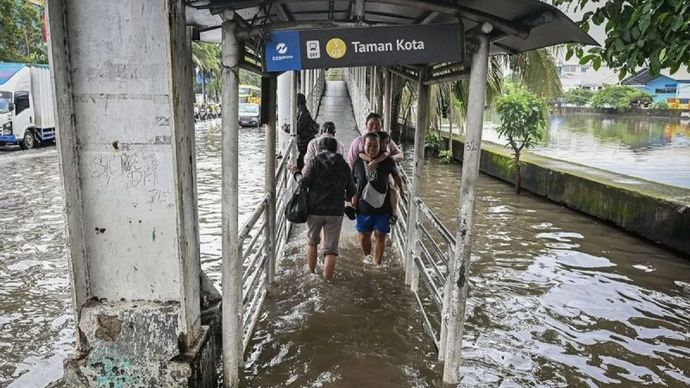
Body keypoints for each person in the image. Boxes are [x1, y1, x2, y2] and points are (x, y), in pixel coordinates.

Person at [289, 137, 356, 279]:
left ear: (320, 148)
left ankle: (312, 274)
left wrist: (295, 172)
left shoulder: (315, 161)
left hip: (314, 209)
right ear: (336, 149)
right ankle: (327, 281)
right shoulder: (344, 165)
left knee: (312, 242)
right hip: (335, 211)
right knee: (331, 249)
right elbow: (351, 191)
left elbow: (304, 183)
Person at [352, 132, 404, 266]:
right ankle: (368, 256)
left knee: (381, 235)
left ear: (380, 146)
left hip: (383, 206)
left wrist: (402, 191)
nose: (372, 148)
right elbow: (353, 183)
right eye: (369, 145)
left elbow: (396, 176)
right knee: (364, 236)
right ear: (364, 145)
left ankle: (376, 264)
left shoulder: (388, 161)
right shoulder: (358, 162)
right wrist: (351, 201)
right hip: (363, 206)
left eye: (375, 146)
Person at [295, 93, 318, 170]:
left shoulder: (305, 114)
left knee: (304, 162)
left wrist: (287, 129)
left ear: (298, 103)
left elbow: (297, 129)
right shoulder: (301, 113)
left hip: (305, 143)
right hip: (304, 143)